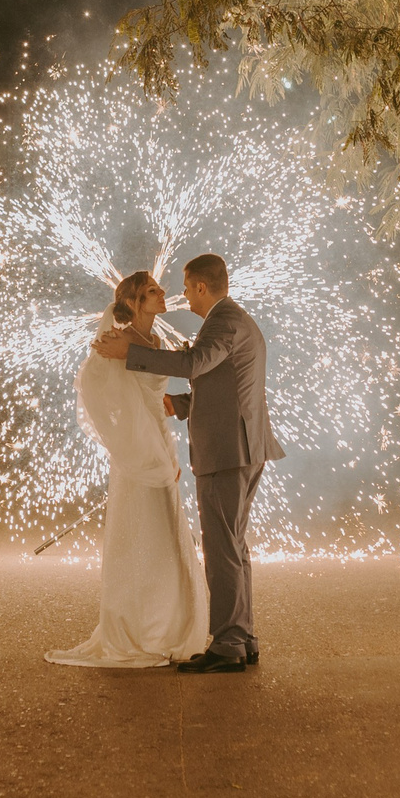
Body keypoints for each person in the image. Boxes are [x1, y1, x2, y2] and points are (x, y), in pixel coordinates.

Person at [93, 252, 283, 673]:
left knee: (221, 550)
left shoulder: (223, 321)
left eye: (185, 286)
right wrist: (178, 404)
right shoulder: (233, 320)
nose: (181, 295)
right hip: (241, 447)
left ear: (201, 286)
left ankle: (230, 643)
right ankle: (244, 636)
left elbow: (195, 364)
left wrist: (130, 352)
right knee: (233, 546)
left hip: (227, 451)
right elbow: (222, 384)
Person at [45, 272, 210, 668]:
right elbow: (96, 387)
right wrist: (133, 448)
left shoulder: (152, 341)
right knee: (143, 536)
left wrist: (166, 447)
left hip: (158, 450)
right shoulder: (118, 342)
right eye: (152, 291)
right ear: (135, 302)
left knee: (165, 537)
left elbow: (152, 399)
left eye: (158, 288)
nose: (162, 293)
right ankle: (138, 628)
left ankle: (166, 624)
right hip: (139, 458)